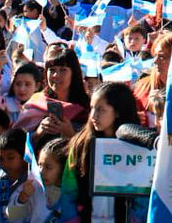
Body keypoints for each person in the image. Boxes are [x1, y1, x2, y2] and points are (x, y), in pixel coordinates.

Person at [59, 82, 142, 222]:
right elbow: (68, 191)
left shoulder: (137, 146)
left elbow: (142, 197)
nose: (93, 115)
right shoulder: (81, 145)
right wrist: (72, 219)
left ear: (118, 111)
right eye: (92, 108)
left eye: (101, 110)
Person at [0, 128, 48, 223]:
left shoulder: (38, 184)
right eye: (1, 158)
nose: (4, 164)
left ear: (25, 156)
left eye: (10, 158)